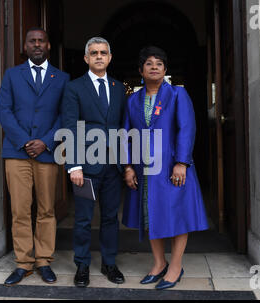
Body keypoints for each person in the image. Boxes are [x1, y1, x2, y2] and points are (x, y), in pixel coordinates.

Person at [122, 46, 209, 290]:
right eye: (148, 63)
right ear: (141, 70)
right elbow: (126, 135)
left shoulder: (178, 95)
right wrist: (128, 166)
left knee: (178, 215)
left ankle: (176, 265)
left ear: (165, 70)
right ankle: (159, 262)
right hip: (144, 169)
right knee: (151, 214)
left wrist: (182, 162)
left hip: (172, 166)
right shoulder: (132, 100)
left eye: (159, 64)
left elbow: (187, 128)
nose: (154, 67)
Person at [0, 27, 70, 286]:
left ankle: (43, 261)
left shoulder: (62, 78)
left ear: (48, 45)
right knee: (20, 210)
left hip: (48, 153)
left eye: (41, 41)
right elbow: (4, 111)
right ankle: (23, 263)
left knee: (46, 209)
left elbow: (65, 115)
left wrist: (46, 142)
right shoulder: (12, 75)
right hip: (16, 152)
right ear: (25, 46)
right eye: (32, 41)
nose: (37, 45)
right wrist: (26, 141)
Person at [61, 37, 127, 288]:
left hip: (113, 165)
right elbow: (70, 126)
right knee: (83, 219)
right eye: (93, 53)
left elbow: (122, 126)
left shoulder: (119, 88)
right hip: (85, 165)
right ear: (86, 58)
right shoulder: (74, 87)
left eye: (103, 52)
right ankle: (82, 265)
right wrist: (74, 165)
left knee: (111, 216)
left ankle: (109, 263)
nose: (99, 56)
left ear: (109, 57)